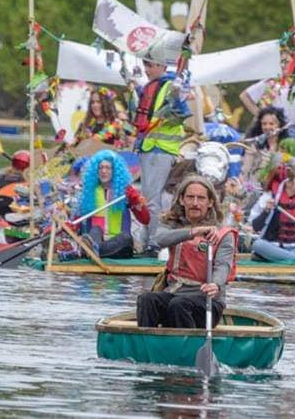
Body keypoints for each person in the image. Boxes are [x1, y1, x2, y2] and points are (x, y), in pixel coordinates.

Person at [136, 175, 236, 328]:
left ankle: (185, 349)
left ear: (210, 203)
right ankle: (145, 345)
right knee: (147, 299)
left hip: (207, 302)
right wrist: (192, 232)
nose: (195, 203)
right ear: (182, 200)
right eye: (190, 197)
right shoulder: (170, 223)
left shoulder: (224, 233)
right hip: (174, 292)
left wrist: (215, 283)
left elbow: (223, 266)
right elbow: (160, 239)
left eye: (201, 198)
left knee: (179, 305)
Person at [130, 59, 188, 256]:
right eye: (145, 66)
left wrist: (177, 94)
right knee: (147, 198)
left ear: (163, 66)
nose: (147, 70)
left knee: (152, 200)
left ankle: (154, 245)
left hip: (161, 148)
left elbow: (181, 110)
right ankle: (147, 241)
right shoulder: (152, 87)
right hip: (150, 147)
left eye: (151, 66)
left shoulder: (172, 86)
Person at [74, 150, 149, 258]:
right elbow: (77, 220)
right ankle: (95, 249)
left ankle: (95, 251)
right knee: (95, 230)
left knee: (126, 237)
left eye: (108, 168)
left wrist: (136, 201)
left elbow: (145, 220)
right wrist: (70, 225)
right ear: (96, 171)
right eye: (101, 167)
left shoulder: (126, 192)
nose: (104, 171)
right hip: (96, 240)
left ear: (115, 171)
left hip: (119, 246)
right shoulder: (89, 192)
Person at [239, 48, 295, 140]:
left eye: (286, 62)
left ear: (293, 63)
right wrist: (260, 115)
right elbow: (244, 96)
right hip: (274, 129)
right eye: (281, 62)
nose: (283, 65)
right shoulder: (270, 82)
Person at [241, 106, 290, 189]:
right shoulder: (254, 144)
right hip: (256, 187)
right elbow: (246, 170)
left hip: (279, 189)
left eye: (271, 124)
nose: (267, 127)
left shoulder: (286, 146)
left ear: (279, 126)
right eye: (264, 124)